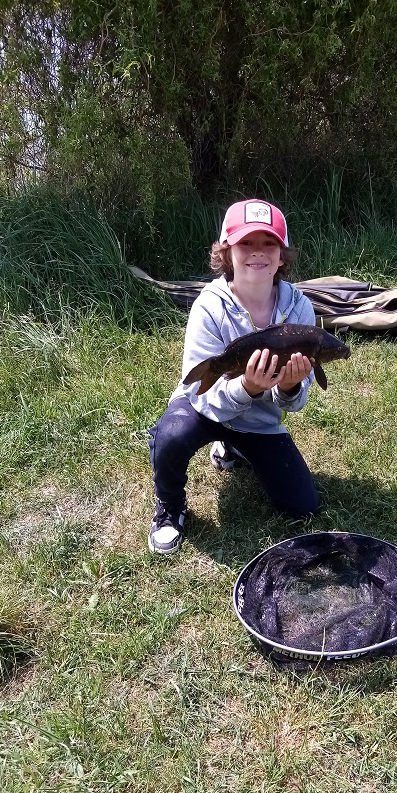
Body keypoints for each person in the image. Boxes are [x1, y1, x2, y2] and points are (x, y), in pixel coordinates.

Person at [148, 198, 319, 554]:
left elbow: (294, 402)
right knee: (172, 434)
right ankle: (170, 507)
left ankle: (233, 446)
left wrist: (289, 385)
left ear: (282, 255)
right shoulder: (209, 306)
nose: (258, 251)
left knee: (303, 506)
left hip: (258, 420)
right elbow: (198, 390)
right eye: (246, 243)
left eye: (269, 243)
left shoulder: (300, 308)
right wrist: (246, 386)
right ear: (227, 252)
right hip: (204, 408)